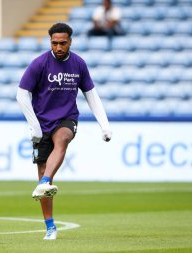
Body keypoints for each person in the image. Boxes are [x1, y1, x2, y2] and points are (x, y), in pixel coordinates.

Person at [16, 23, 112, 240]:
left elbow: (91, 95)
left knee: (63, 139)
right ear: (50, 42)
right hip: (42, 124)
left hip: (67, 119)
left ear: (70, 41)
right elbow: (22, 94)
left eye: (63, 43)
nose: (58, 47)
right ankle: (50, 226)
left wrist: (104, 125)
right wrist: (34, 126)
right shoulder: (40, 63)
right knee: (42, 171)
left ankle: (44, 182)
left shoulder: (78, 64)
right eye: (54, 43)